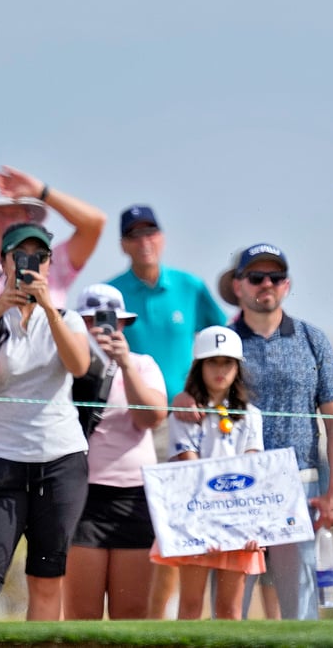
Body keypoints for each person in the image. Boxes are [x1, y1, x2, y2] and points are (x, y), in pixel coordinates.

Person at [0, 166, 106, 607]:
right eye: (21, 255)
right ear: (5, 261)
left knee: (47, 579)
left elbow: (78, 364)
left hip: (59, 458)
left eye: (40, 256)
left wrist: (48, 308)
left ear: (51, 263)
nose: (31, 263)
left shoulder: (67, 316)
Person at [176, 243, 333, 620]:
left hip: (299, 484)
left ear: (287, 285)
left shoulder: (312, 338)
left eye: (276, 276)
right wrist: (181, 398)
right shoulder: (219, 341)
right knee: (230, 607)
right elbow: (186, 392)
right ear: (238, 285)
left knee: (301, 608)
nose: (266, 284)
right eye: (256, 277)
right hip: (231, 491)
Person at [106, 204, 227, 617]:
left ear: (162, 237)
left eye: (150, 233)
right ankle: (151, 622)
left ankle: (174, 621)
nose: (144, 242)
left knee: (181, 525)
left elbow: (219, 341)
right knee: (146, 529)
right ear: (123, 243)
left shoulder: (189, 287)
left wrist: (193, 390)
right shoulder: (113, 293)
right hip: (130, 426)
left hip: (187, 423)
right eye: (135, 235)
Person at [63, 283, 168, 621]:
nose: (102, 328)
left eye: (111, 321)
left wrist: (124, 365)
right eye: (92, 320)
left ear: (124, 325)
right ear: (78, 325)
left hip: (134, 498)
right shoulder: (66, 369)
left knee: (132, 613)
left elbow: (152, 417)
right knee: (83, 613)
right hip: (82, 496)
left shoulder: (143, 364)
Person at [151, 325, 265, 620]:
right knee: (190, 606)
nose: (220, 370)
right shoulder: (185, 414)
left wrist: (251, 525)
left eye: (227, 362)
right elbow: (191, 469)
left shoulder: (252, 416)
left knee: (230, 609)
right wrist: (209, 524)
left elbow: (251, 470)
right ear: (199, 366)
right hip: (196, 518)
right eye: (212, 362)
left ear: (237, 368)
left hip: (238, 517)